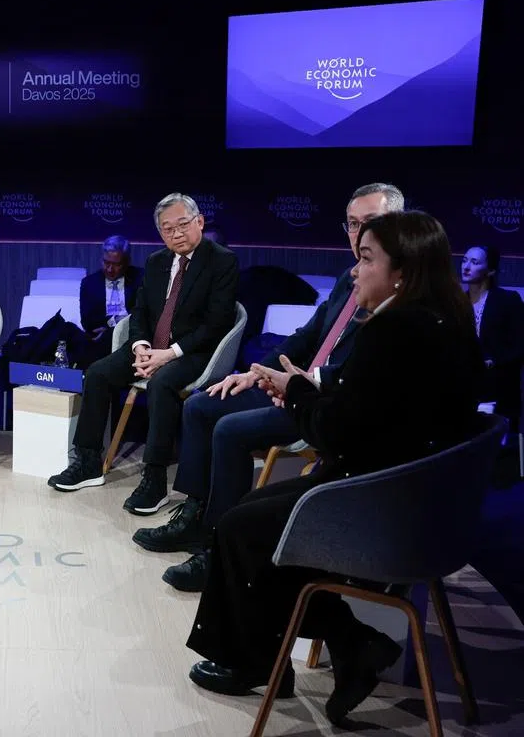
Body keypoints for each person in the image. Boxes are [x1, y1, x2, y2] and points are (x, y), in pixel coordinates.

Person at [185, 211, 482, 727]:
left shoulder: (393, 330)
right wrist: (309, 390)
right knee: (252, 516)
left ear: (402, 273)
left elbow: (337, 434)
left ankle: (275, 659)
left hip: (378, 504)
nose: (354, 270)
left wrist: (298, 392)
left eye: (366, 259)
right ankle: (349, 645)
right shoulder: (447, 322)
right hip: (420, 502)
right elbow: (376, 412)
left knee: (239, 529)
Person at [134, 183, 403, 592]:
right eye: (352, 224)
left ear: (399, 225)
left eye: (371, 222)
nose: (360, 232)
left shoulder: (403, 292)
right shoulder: (346, 279)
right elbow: (307, 336)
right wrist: (256, 372)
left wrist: (305, 383)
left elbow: (370, 372)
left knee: (230, 429)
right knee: (202, 405)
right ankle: (195, 513)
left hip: (327, 405)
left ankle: (216, 547)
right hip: (299, 387)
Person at [48, 193, 239, 514]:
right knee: (97, 373)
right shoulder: (156, 262)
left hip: (196, 352)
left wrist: (169, 354)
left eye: (183, 224)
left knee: (161, 383)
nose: (176, 233)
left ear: (199, 222)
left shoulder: (222, 261)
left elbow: (217, 324)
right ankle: (88, 462)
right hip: (151, 348)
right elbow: (139, 313)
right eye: (167, 229)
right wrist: (140, 346)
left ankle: (155, 480)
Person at [461, 244, 524, 432]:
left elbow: (519, 345)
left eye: (474, 262)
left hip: (500, 391)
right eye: (464, 260)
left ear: (490, 270)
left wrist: (493, 362)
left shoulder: (508, 300)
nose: (466, 267)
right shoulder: (457, 304)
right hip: (467, 392)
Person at [78, 235, 143, 359]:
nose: (109, 269)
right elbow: (87, 321)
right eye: (106, 262)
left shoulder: (140, 278)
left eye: (116, 264)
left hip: (132, 335)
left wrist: (111, 328)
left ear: (127, 262)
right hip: (100, 340)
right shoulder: (89, 283)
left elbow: (142, 313)